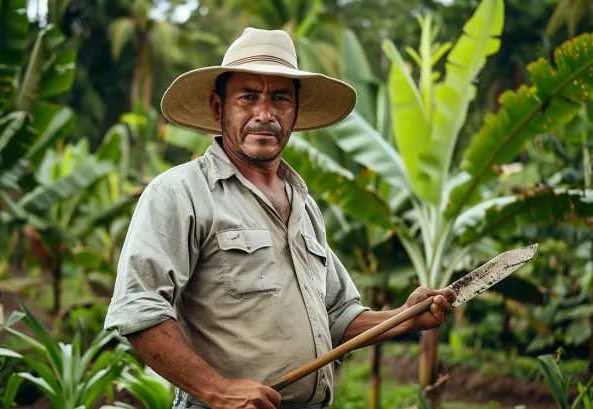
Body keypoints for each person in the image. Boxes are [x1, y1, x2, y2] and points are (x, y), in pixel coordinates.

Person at [104, 27, 457, 409]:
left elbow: (338, 314)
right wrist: (217, 389)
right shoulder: (180, 192)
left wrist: (405, 317)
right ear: (219, 108)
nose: (265, 113)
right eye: (249, 97)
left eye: (280, 99)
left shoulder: (304, 205)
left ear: (295, 111)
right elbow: (139, 309)